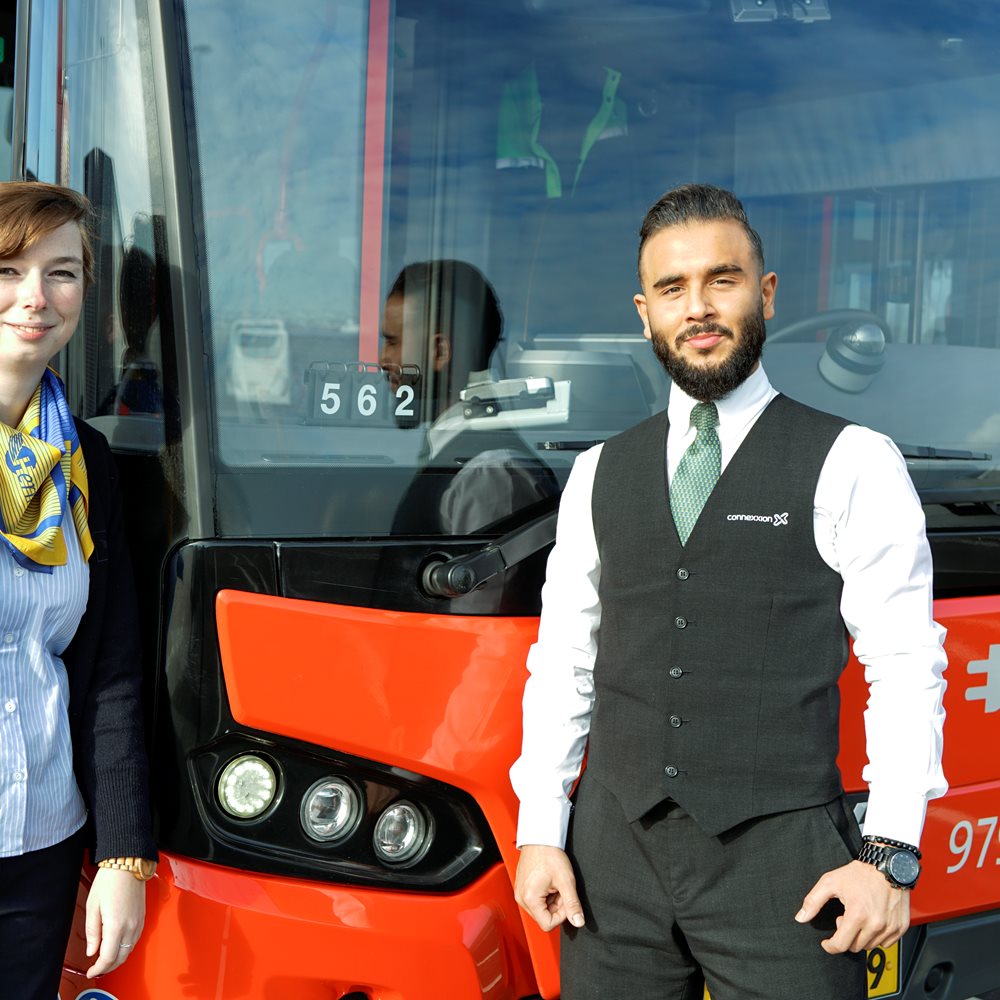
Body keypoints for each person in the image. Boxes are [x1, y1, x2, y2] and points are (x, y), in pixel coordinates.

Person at [510, 184, 947, 998]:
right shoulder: (598, 472)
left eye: (723, 279)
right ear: (645, 313)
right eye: (673, 288)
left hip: (783, 864)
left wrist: (890, 854)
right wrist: (541, 827)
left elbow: (905, 664)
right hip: (611, 861)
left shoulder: (853, 461)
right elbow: (563, 660)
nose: (699, 308)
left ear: (766, 293)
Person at [0, 181, 157, 996]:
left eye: (60, 272)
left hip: (40, 844)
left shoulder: (85, 461)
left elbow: (110, 671)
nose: (35, 297)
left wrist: (123, 856)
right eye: (8, 270)